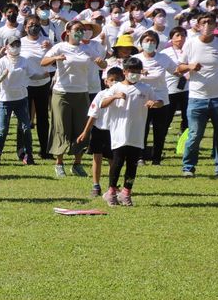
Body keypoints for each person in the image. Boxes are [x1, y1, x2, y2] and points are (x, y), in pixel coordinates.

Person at [41, 20, 107, 177]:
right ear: (68, 31)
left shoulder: (87, 48)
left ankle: (77, 164)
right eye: (77, 29)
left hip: (82, 93)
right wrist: (55, 58)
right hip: (61, 93)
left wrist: (101, 62)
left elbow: (103, 66)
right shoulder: (60, 47)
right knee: (61, 127)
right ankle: (59, 164)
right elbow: (43, 62)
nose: (80, 32)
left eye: (82, 30)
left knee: (81, 128)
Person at [99, 57, 163, 206]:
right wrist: (114, 96)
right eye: (131, 71)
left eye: (137, 72)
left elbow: (160, 102)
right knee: (118, 162)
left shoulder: (146, 89)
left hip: (137, 133)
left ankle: (126, 192)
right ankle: (112, 192)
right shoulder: (116, 87)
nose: (134, 74)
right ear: (125, 72)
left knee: (132, 164)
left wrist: (154, 103)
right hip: (119, 133)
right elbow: (102, 103)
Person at [178, 12, 218, 177]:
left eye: (210, 22)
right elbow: (179, 68)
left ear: (216, 25)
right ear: (198, 26)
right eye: (204, 22)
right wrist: (190, 66)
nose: (207, 25)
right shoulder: (190, 44)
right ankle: (188, 168)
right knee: (194, 135)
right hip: (196, 98)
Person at [77, 68, 124, 197]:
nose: (115, 82)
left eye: (118, 80)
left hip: (114, 132)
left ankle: (112, 186)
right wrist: (85, 132)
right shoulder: (101, 95)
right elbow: (93, 115)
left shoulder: (124, 95)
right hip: (99, 130)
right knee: (97, 158)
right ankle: (96, 185)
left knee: (113, 160)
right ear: (106, 81)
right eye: (112, 80)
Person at [135, 31, 177, 165]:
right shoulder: (136, 59)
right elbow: (126, 76)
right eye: (147, 40)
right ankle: (140, 156)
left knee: (160, 130)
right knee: (142, 129)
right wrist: (138, 72)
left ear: (157, 44)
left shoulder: (163, 58)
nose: (150, 43)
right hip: (141, 99)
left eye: (153, 41)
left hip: (161, 99)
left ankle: (157, 158)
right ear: (141, 42)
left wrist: (189, 68)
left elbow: (176, 70)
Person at [0, 36, 34, 166]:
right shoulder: (2, 62)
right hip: (6, 100)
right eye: (12, 44)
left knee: (26, 128)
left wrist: (46, 76)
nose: (15, 47)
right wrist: (3, 76)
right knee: (3, 130)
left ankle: (29, 155)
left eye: (17, 44)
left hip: (21, 99)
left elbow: (33, 75)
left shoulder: (24, 61)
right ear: (7, 46)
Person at [19, 14, 54, 160]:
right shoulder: (20, 43)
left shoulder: (46, 42)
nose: (34, 27)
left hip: (43, 84)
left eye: (37, 25)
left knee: (43, 118)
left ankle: (45, 150)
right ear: (25, 27)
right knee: (24, 119)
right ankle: (23, 151)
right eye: (31, 25)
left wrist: (51, 48)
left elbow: (54, 60)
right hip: (25, 85)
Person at [161, 26, 189, 132]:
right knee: (168, 116)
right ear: (171, 38)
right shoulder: (165, 53)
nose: (180, 38)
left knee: (187, 117)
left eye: (183, 35)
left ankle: (184, 140)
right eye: (177, 35)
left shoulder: (189, 51)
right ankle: (161, 138)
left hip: (187, 88)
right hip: (170, 89)